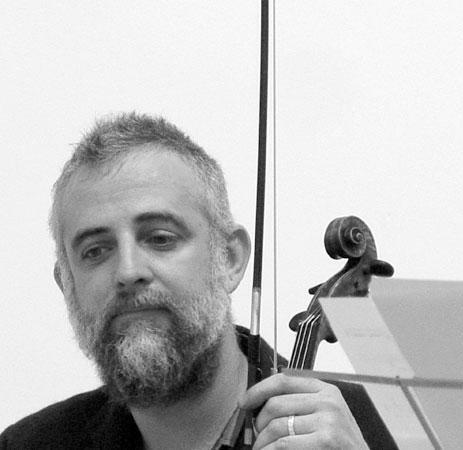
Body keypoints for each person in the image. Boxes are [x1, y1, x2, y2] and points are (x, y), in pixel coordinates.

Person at [0, 113, 397, 449]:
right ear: (67, 284)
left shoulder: (386, 431)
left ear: (230, 259)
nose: (128, 271)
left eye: (160, 238)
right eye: (95, 251)